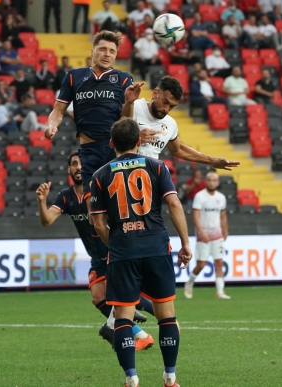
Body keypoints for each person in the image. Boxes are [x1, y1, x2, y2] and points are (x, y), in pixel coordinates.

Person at [90, 118, 192, 387]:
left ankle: (131, 379)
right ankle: (170, 377)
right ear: (139, 141)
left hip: (123, 250)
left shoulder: (100, 175)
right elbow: (174, 204)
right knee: (166, 314)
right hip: (156, 247)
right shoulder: (157, 167)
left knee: (122, 317)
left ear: (111, 144)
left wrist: (115, 245)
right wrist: (185, 243)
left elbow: (98, 222)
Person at [36, 151, 154, 350]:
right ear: (69, 169)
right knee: (98, 297)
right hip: (96, 257)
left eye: (81, 163)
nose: (79, 167)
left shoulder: (100, 190)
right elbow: (47, 221)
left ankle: (168, 320)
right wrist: (41, 201)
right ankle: (141, 334)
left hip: (113, 250)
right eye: (74, 164)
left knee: (125, 296)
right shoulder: (66, 197)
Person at [46, 30, 144, 208]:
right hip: (88, 152)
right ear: (92, 52)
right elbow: (58, 110)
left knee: (119, 208)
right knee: (95, 215)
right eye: (102, 49)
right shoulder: (73, 76)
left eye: (112, 51)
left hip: (114, 150)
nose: (107, 54)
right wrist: (52, 125)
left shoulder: (123, 79)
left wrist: (129, 103)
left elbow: (126, 120)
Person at [134, 76, 240, 171]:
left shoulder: (170, 124)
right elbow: (117, 137)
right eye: (165, 102)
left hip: (148, 177)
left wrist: (212, 160)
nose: (166, 109)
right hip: (124, 174)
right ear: (155, 94)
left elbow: (178, 149)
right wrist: (135, 138)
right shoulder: (134, 107)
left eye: (172, 106)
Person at [183, 171, 229, 299]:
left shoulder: (221, 197)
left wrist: (225, 231)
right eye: (209, 180)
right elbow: (195, 216)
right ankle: (190, 282)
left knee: (219, 262)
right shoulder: (200, 196)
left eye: (214, 180)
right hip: (203, 235)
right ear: (206, 181)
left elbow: (223, 216)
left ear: (218, 183)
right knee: (201, 264)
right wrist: (201, 232)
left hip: (217, 235)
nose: (212, 182)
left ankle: (220, 291)